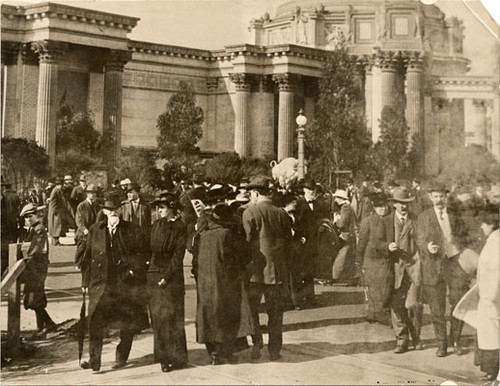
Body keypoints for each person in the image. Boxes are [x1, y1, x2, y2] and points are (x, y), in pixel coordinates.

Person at [80, 195, 149, 373]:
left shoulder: (132, 229)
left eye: (116, 209)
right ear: (104, 211)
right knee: (95, 321)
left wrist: (134, 270)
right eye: (109, 210)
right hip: (100, 284)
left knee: (126, 323)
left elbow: (143, 254)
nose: (113, 213)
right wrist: (85, 281)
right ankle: (95, 360)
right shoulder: (95, 229)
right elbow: (87, 258)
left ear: (121, 210)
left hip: (124, 283)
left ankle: (121, 357)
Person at [193, 203, 254, 365]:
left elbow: (194, 261)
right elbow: (244, 255)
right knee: (227, 317)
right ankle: (225, 353)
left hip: (205, 284)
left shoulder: (203, 235)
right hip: (225, 282)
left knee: (208, 316)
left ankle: (212, 352)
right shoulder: (227, 234)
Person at [416, 182, 470, 357]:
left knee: (458, 303)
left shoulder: (455, 216)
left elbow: (465, 236)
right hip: (434, 266)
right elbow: (419, 240)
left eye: (441, 196)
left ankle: (456, 340)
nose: (439, 200)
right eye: (436, 196)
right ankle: (442, 343)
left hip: (455, 264)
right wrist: (427, 247)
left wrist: (459, 247)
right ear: (430, 197)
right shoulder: (424, 217)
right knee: (437, 308)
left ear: (446, 197)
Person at [242, 175, 292, 361]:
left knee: (252, 310)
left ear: (255, 193)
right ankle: (274, 350)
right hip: (277, 272)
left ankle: (257, 343)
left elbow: (246, 243)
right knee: (276, 314)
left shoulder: (250, 213)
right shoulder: (281, 213)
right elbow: (288, 242)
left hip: (255, 272)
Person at [147, 192, 188, 372]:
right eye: (157, 207)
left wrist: (167, 276)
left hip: (171, 279)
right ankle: (162, 357)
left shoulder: (180, 227)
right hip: (154, 275)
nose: (159, 210)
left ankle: (176, 357)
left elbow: (178, 256)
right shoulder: (156, 224)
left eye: (162, 207)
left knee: (172, 318)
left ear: (172, 208)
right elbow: (150, 250)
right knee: (157, 318)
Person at [386, 187, 423, 353]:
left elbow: (422, 242)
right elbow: (377, 243)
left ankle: (416, 336)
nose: (403, 206)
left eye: (406, 203)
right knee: (396, 305)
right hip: (393, 269)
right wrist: (387, 247)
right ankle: (401, 339)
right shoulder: (387, 221)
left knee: (413, 305)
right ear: (394, 204)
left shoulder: (416, 220)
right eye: (400, 203)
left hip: (413, 268)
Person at [19, 203, 57, 337]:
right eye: (26, 217)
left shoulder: (39, 229)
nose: (28, 219)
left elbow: (36, 249)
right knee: (34, 298)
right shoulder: (32, 229)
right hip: (32, 267)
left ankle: (48, 324)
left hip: (38, 267)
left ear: (36, 215)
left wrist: (27, 258)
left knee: (34, 298)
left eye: (30, 216)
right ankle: (42, 327)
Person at [356, 194, 392, 325]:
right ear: (374, 208)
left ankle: (375, 313)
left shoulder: (390, 219)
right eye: (379, 207)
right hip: (371, 259)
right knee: (373, 287)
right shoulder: (368, 221)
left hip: (385, 259)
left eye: (384, 206)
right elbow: (362, 242)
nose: (382, 209)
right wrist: (358, 260)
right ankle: (376, 313)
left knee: (383, 287)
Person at [475, 206, 499, 382]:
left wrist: (489, 297)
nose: (481, 227)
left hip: (492, 298)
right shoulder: (493, 241)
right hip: (489, 296)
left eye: (483, 223)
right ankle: (491, 371)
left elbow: (496, 272)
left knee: (492, 336)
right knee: (489, 335)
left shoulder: (496, 244)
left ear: (491, 224)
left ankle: (493, 373)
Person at [332, 189, 357, 285]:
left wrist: (336, 222)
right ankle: (348, 277)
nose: (335, 199)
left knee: (342, 256)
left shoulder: (345, 207)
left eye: (336, 198)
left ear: (340, 198)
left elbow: (342, 223)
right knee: (347, 256)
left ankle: (336, 276)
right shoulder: (346, 207)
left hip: (345, 235)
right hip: (348, 235)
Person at [74, 184, 98, 268]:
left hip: (93, 230)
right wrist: (84, 229)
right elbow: (79, 220)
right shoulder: (82, 205)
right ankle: (77, 263)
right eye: (91, 193)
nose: (93, 195)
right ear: (87, 194)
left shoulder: (96, 204)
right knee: (81, 248)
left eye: (94, 193)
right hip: (83, 232)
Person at [1, 178, 20, 276]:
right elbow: (18, 210)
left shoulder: (2, 197)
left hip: (3, 225)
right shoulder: (15, 196)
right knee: (12, 244)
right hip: (12, 223)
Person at [48, 177, 71, 246]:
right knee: (56, 227)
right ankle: (55, 242)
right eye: (61, 184)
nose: (62, 186)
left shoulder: (58, 190)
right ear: (59, 185)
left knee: (57, 227)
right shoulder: (55, 191)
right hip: (55, 213)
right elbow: (52, 203)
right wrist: (56, 211)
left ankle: (55, 241)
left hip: (57, 212)